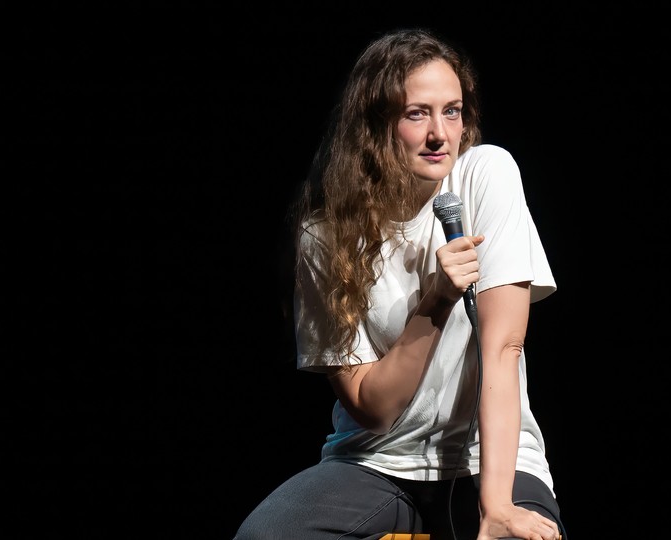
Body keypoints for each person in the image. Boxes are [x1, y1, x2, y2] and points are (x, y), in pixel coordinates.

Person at [234, 28, 565, 540]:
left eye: (451, 111)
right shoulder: (324, 237)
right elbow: (372, 407)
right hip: (377, 463)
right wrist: (435, 301)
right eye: (417, 114)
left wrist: (497, 505)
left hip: (489, 459)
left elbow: (504, 345)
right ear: (375, 124)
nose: (440, 133)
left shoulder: (485, 175)